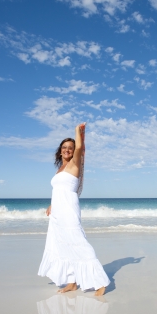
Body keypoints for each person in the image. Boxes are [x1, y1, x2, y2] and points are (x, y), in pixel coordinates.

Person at [38, 123, 110, 296]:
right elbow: (58, 190)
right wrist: (52, 205)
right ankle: (72, 282)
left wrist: (78, 132)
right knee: (62, 246)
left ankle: (100, 282)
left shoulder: (74, 164)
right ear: (60, 150)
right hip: (57, 212)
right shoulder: (60, 169)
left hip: (69, 210)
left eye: (70, 148)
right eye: (64, 147)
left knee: (79, 243)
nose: (68, 150)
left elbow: (79, 148)